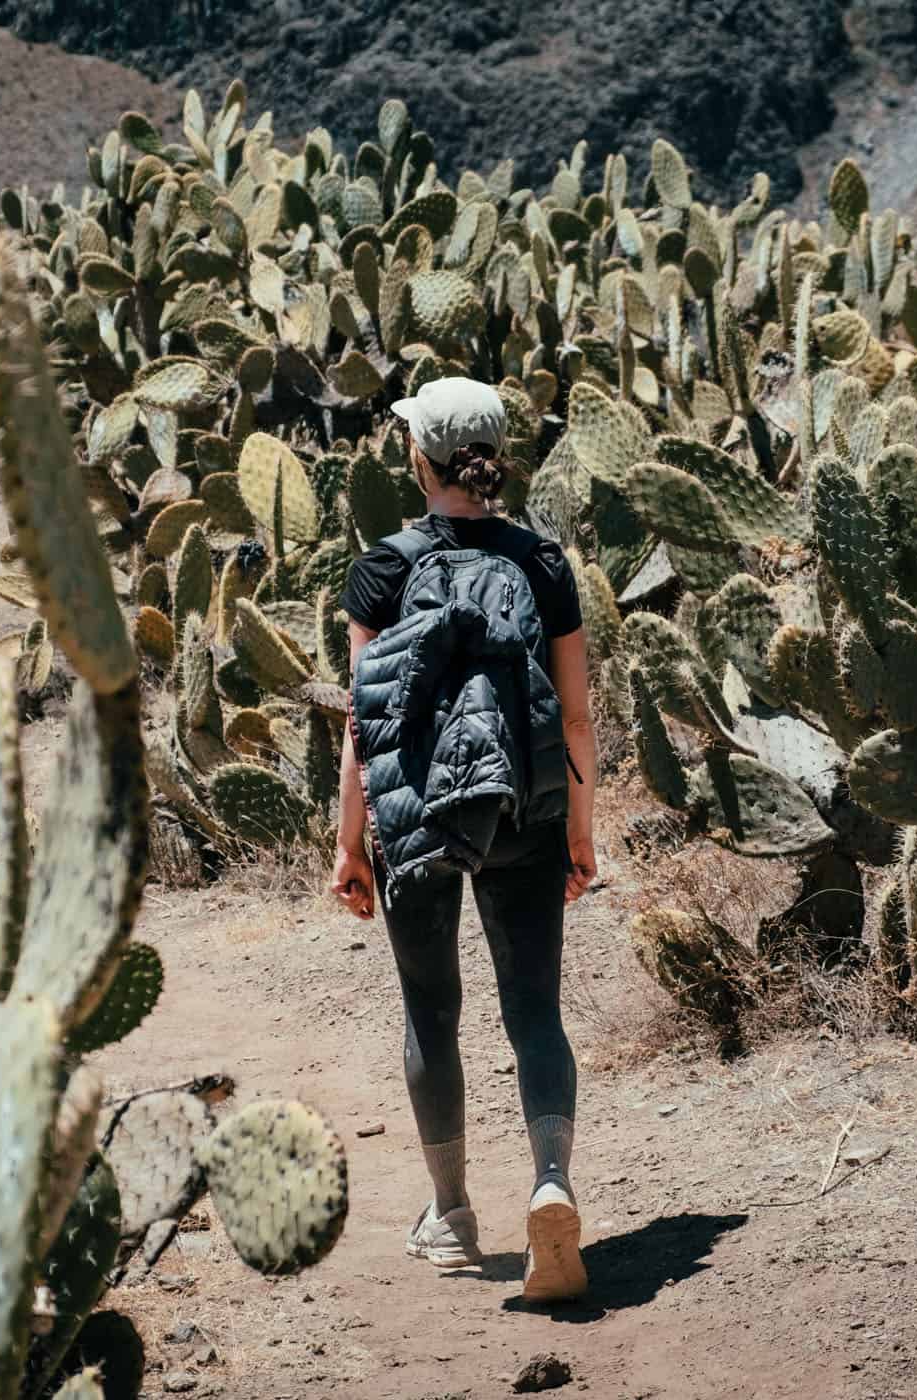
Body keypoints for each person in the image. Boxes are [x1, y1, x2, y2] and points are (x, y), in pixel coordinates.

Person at [329, 376, 600, 1305]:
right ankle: (553, 1183)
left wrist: (350, 845)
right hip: (526, 810)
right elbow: (574, 718)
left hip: (419, 823)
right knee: (534, 1011)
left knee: (431, 1011)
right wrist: (580, 830)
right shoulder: (543, 564)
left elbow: (364, 725)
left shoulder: (383, 567)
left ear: (419, 458)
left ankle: (450, 1216)